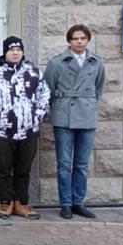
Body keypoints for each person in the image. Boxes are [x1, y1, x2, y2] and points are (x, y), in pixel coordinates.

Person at [0, 36, 51, 220]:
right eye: (11, 50)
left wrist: (37, 117)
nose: (15, 53)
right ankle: (5, 202)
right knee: (3, 169)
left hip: (28, 131)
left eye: (18, 49)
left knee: (23, 170)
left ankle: (21, 203)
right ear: (5, 52)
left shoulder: (34, 72)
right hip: (2, 131)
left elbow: (45, 95)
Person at [44, 24, 106, 220]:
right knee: (64, 163)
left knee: (81, 164)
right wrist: (59, 107)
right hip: (64, 115)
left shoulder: (97, 62)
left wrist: (89, 104)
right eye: (75, 38)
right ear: (69, 41)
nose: (79, 42)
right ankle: (66, 204)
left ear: (88, 40)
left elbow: (99, 88)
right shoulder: (56, 62)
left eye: (82, 38)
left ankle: (79, 202)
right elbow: (48, 89)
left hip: (87, 115)